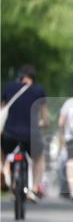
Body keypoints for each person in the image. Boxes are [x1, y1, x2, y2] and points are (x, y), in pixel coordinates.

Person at [1, 65, 48, 201]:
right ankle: (34, 189)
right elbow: (44, 117)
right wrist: (44, 123)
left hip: (10, 134)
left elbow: (2, 109)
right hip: (31, 136)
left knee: (3, 151)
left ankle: (2, 169)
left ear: (20, 77)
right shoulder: (38, 90)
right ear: (33, 78)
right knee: (39, 159)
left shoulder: (9, 88)